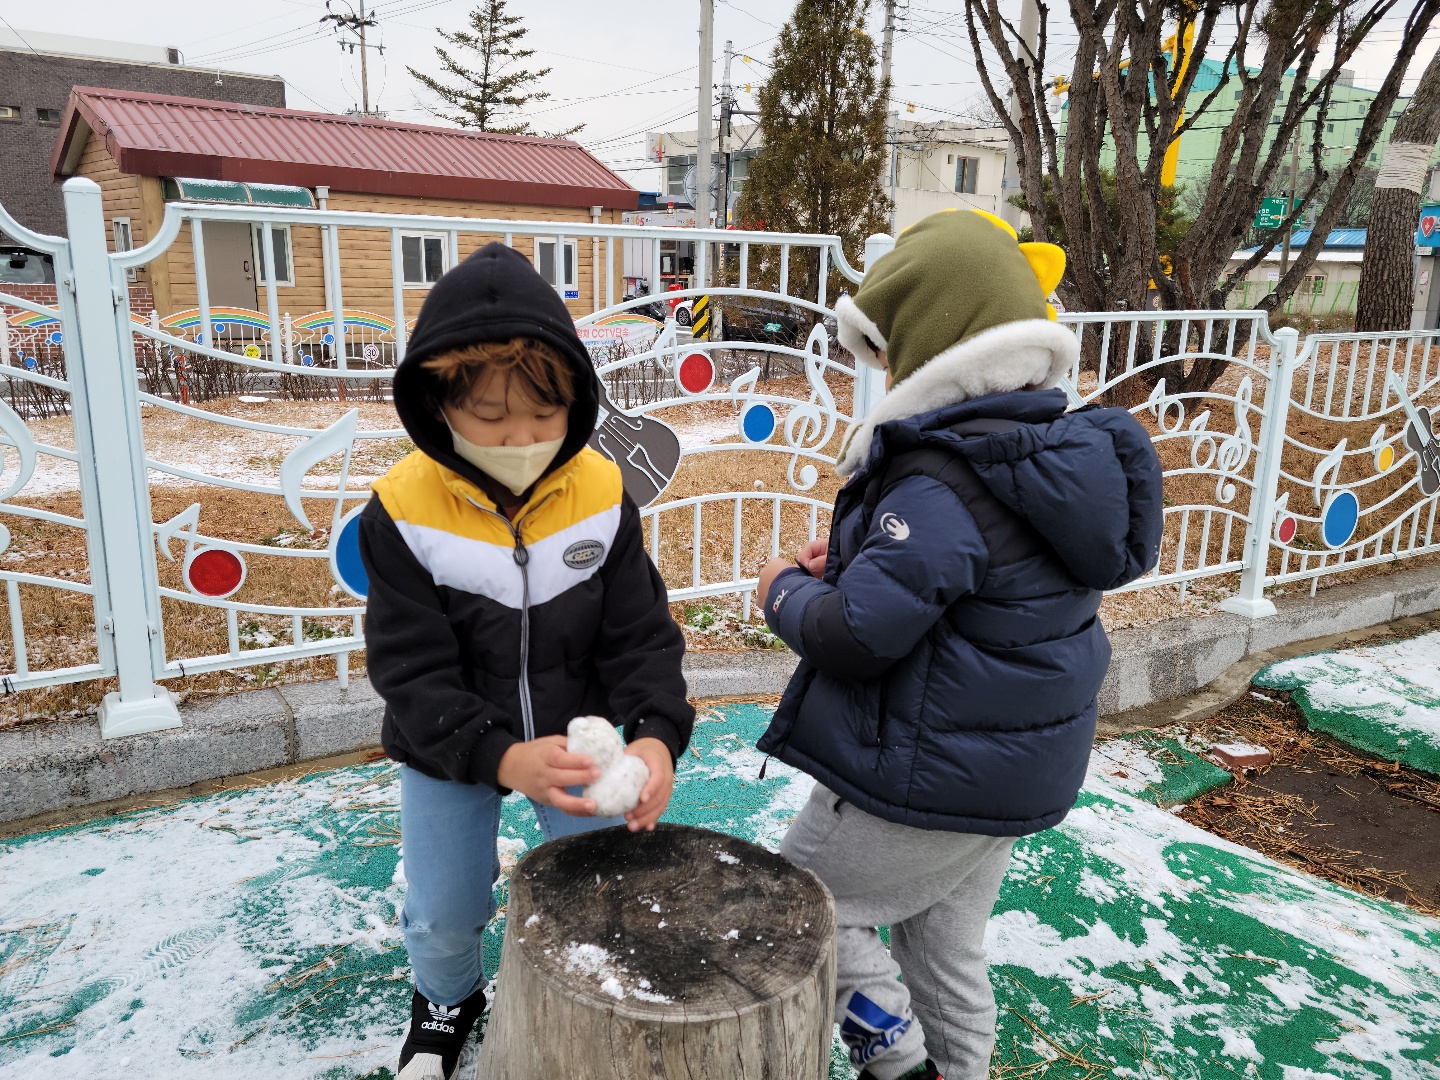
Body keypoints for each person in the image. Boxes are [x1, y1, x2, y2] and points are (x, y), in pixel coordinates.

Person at [756, 209, 1163, 1080]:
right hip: (1014, 767)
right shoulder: (1042, 456)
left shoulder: (943, 477)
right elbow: (979, 582)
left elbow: (859, 634)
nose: (889, 374)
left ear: (936, 343)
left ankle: (896, 1063)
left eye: (894, 350)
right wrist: (866, 559)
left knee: (795, 907)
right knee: (945, 946)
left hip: (923, 769)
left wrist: (783, 591)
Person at [359, 242, 693, 1080]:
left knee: (596, 886)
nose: (522, 439)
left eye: (544, 419)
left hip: (572, 743)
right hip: (450, 748)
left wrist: (654, 735)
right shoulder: (402, 510)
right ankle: (447, 1000)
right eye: (494, 419)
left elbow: (640, 635)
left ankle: (588, 994)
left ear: (575, 402)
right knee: (442, 907)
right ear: (440, 404)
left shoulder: (598, 494)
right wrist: (499, 757)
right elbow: (410, 670)